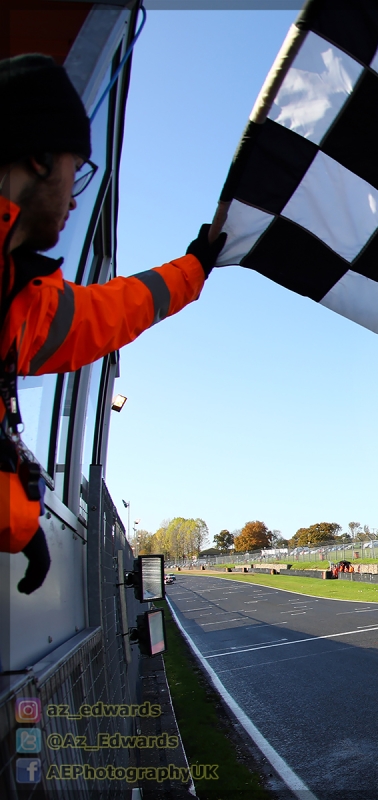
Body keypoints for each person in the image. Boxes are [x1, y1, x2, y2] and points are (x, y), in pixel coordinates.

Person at [0, 54, 226, 594]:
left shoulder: (22, 293)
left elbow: (103, 313)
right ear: (37, 157)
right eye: (74, 170)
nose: (75, 198)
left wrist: (192, 270)